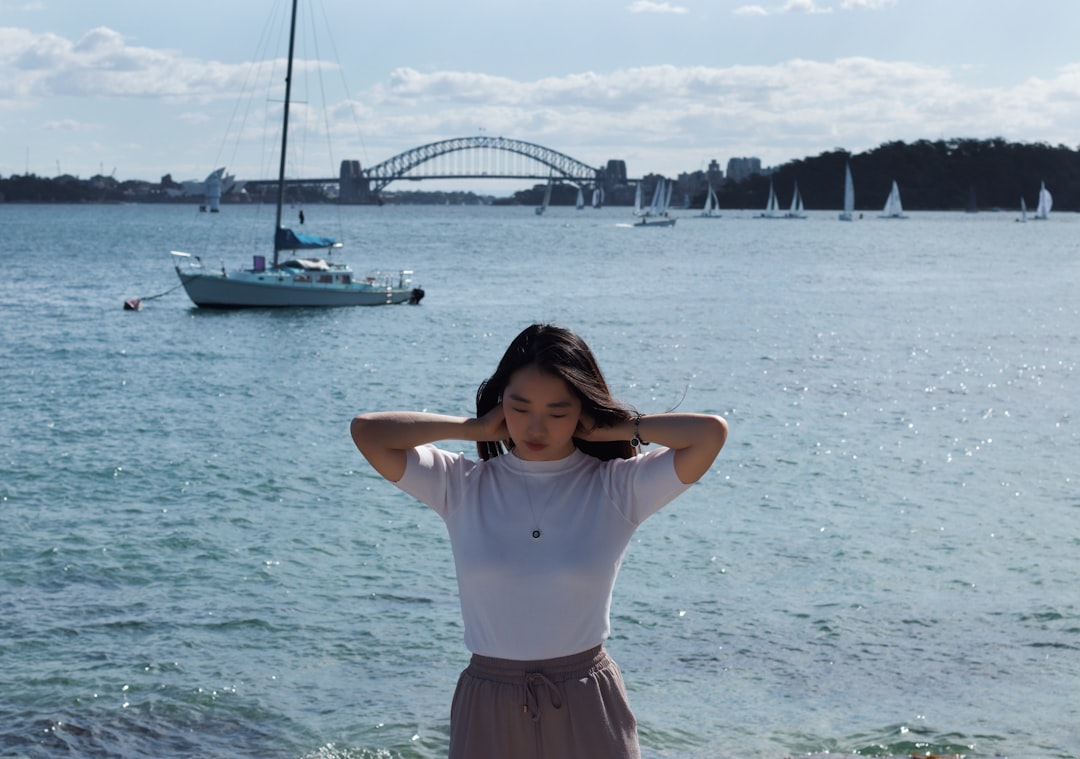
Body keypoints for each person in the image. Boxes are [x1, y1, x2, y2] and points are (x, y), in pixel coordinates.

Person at [350, 323, 728, 759]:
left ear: (582, 412)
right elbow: (368, 431)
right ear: (500, 403)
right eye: (520, 406)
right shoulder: (460, 484)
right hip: (488, 700)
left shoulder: (617, 488)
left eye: (558, 411)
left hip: (587, 699)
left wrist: (614, 429)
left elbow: (709, 435)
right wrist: (474, 429)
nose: (535, 426)